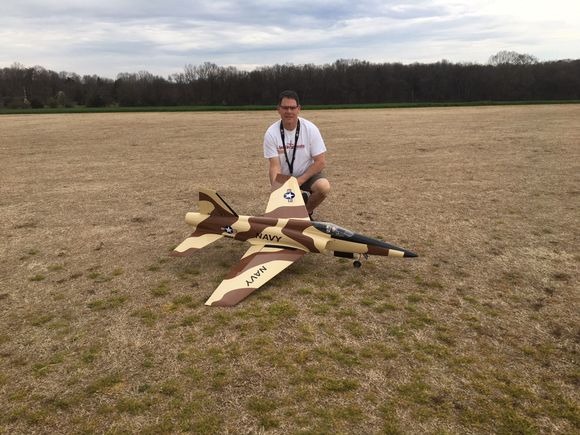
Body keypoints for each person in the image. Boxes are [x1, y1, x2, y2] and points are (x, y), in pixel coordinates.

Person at [263, 90, 330, 219]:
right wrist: (277, 189)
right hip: (285, 177)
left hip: (307, 175)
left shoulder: (310, 129)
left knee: (323, 187)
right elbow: (274, 165)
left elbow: (320, 162)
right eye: (285, 108)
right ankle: (291, 206)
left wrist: (298, 182)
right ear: (278, 109)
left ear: (298, 109)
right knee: (282, 214)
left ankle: (306, 212)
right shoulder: (271, 133)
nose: (289, 111)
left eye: (292, 108)